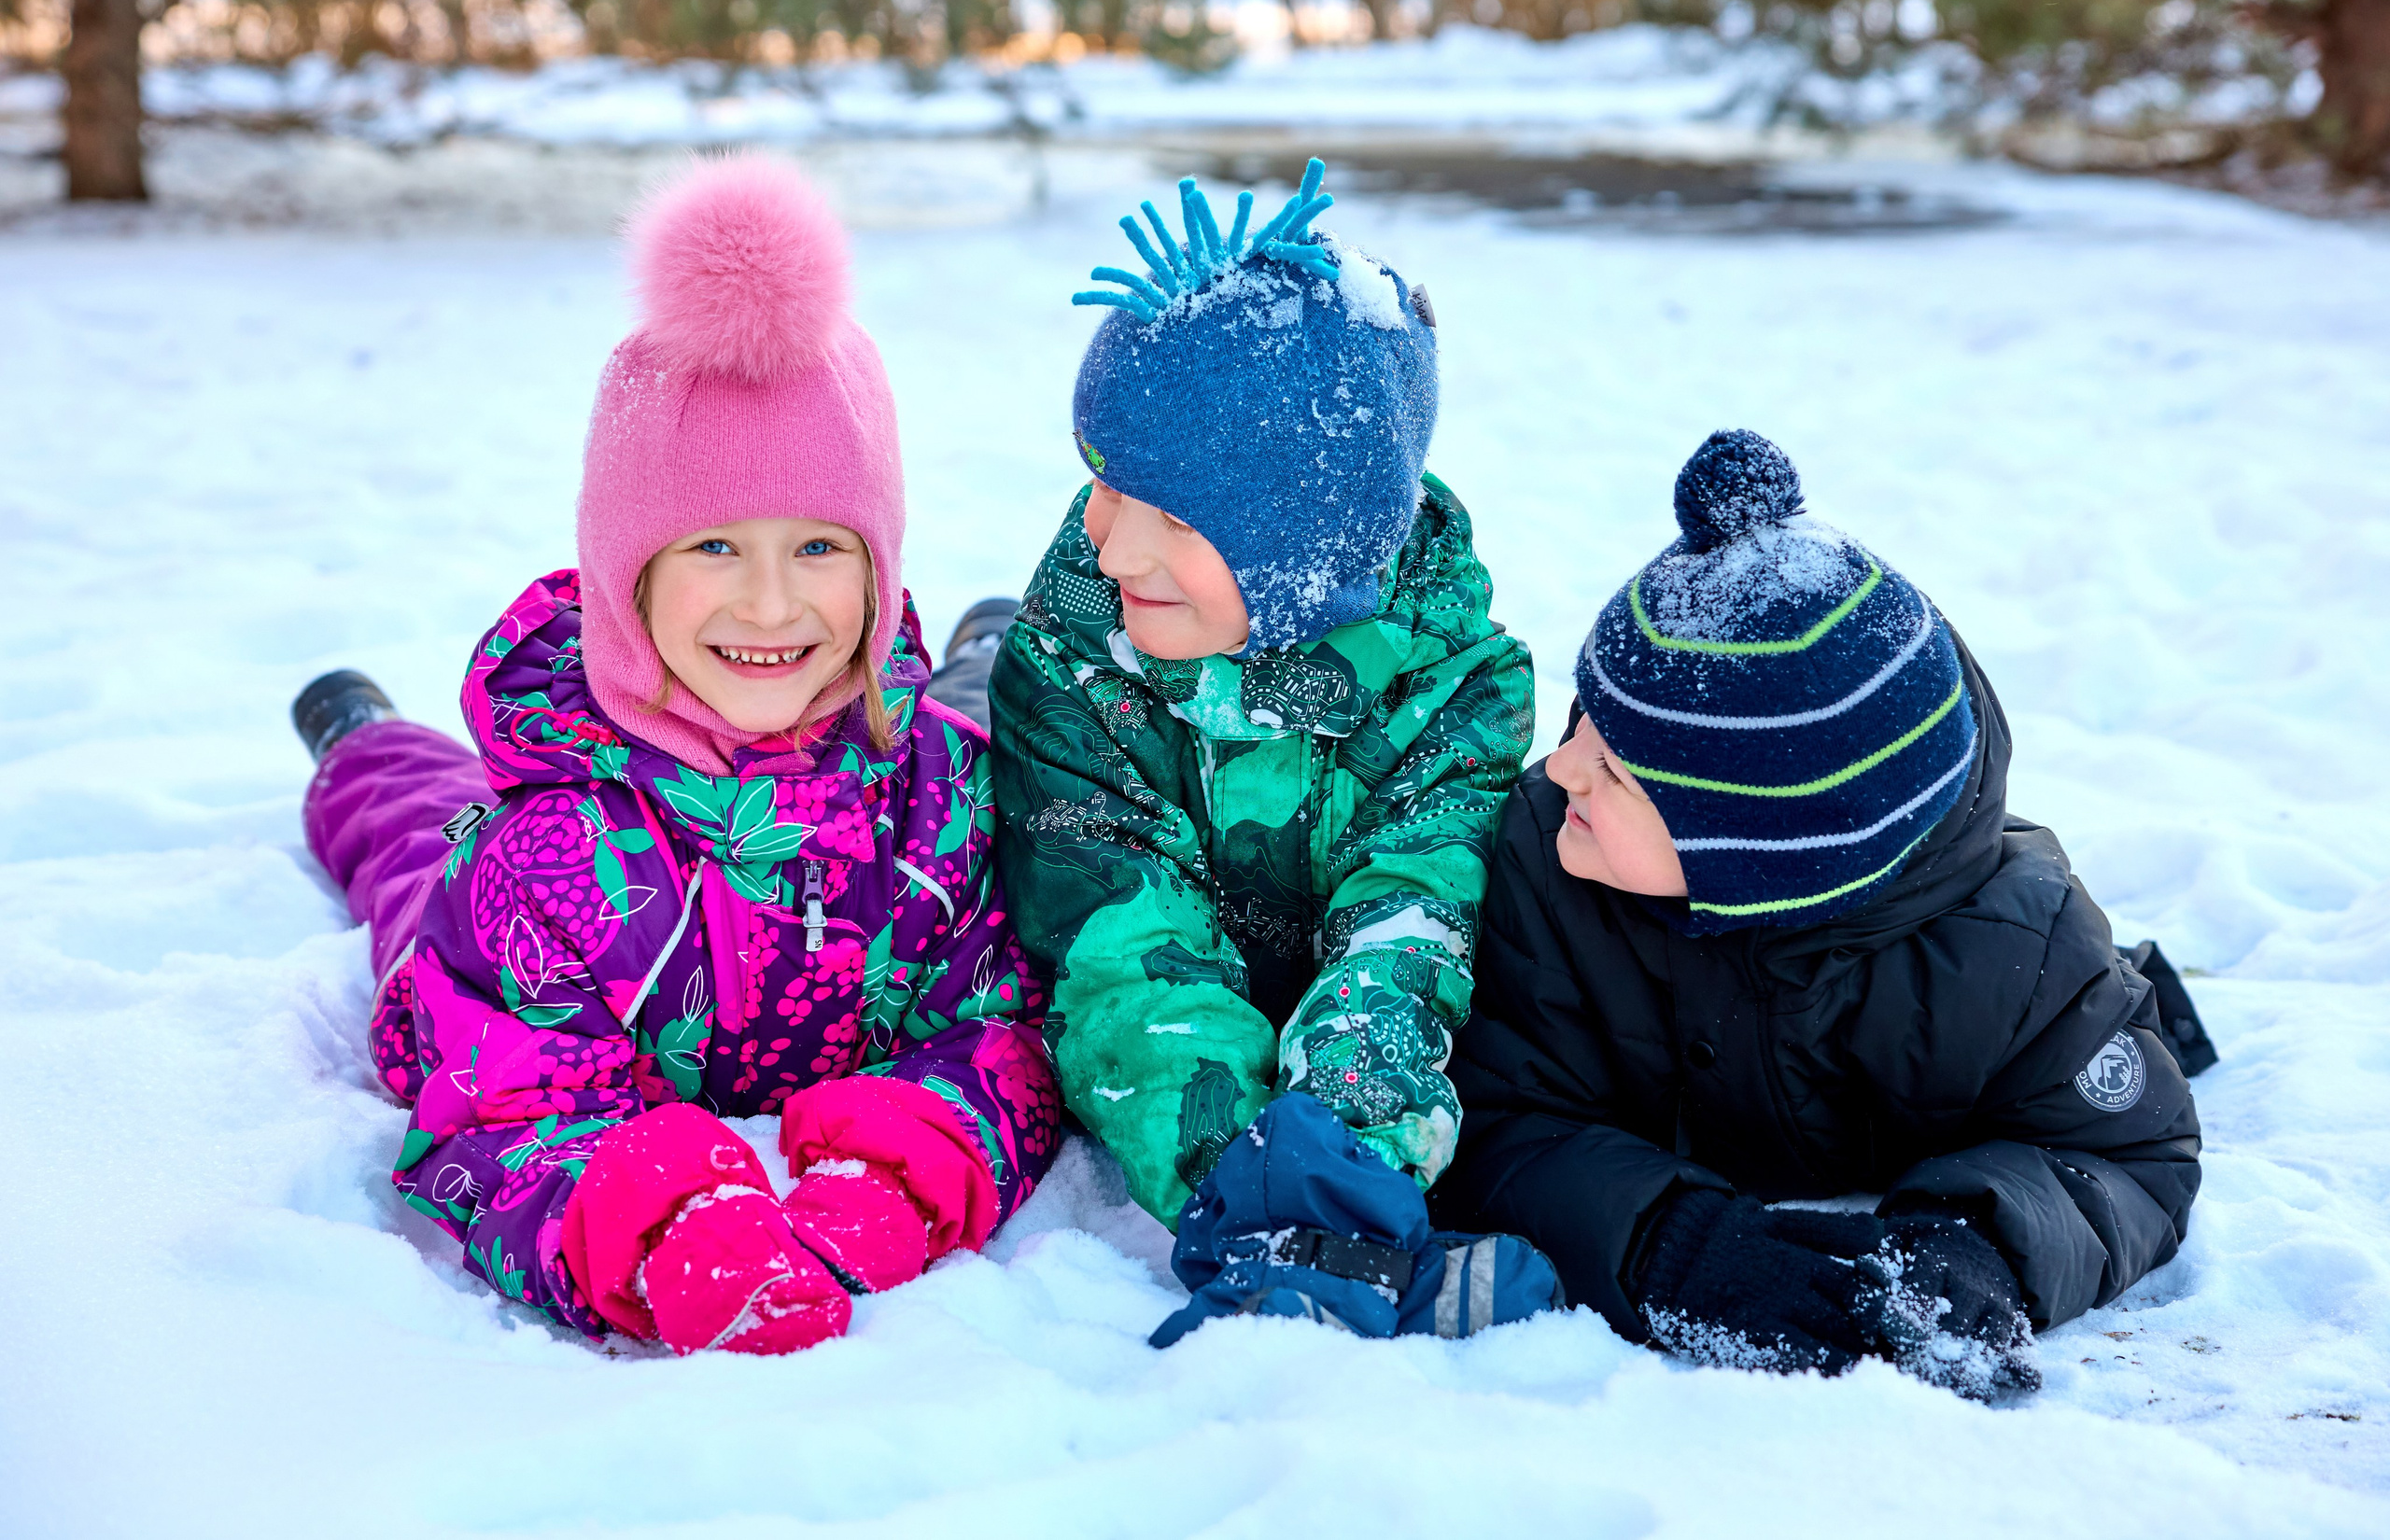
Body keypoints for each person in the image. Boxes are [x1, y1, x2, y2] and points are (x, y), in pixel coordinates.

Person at [295, 155, 1059, 1355]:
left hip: (879, 727)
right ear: (625, 574)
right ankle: (360, 732)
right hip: (513, 852)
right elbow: (509, 1111)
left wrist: (902, 1172)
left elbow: (998, 1027)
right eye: (713, 545)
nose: (766, 604)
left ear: (879, 566)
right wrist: (656, 1231)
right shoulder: (537, 866)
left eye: (819, 548)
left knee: (962, 718)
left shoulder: (940, 803)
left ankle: (985, 644)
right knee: (410, 826)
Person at [1435, 429, 2213, 1400]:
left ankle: (2146, 1000)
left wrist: (1979, 1250)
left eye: (1618, 767)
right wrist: (1659, 1239)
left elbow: (2125, 1153)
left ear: (1759, 849)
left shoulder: (2013, 957)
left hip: (1986, 997)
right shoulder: (1541, 875)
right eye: (1584, 715)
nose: (1561, 766)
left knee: (2089, 1036)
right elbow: (1483, 1114)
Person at [991, 162, 1555, 1341]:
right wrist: (1236, 1182)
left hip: (1314, 921)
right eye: (1102, 479)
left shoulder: (1458, 689)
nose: (1111, 541)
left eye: (1177, 521)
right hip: (1154, 883)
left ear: (1311, 561)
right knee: (969, 683)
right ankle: (970, 632)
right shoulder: (1070, 664)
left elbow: (1409, 925)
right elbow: (1125, 953)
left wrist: (1349, 1158)